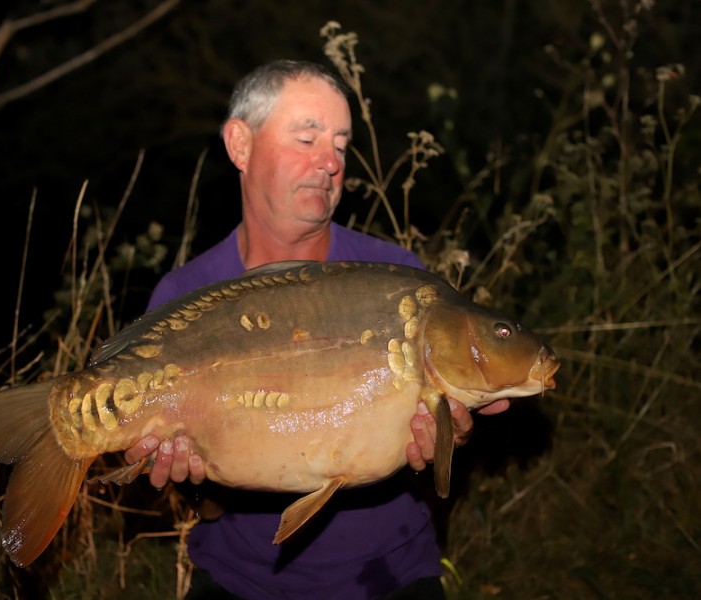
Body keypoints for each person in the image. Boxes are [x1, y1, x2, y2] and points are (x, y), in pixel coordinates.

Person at [124, 59, 509, 600]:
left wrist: (452, 436)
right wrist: (193, 480)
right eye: (307, 138)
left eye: (342, 145)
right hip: (242, 581)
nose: (330, 162)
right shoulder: (183, 296)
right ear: (240, 144)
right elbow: (205, 508)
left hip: (391, 575)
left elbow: (428, 477)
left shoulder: (399, 283)